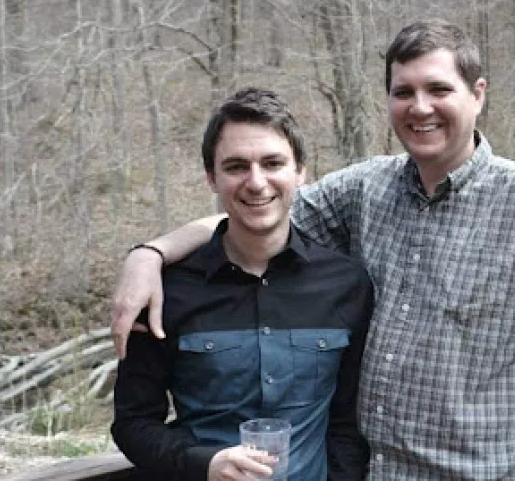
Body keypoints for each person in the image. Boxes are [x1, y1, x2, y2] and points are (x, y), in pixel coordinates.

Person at [112, 21, 515, 481]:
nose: (420, 107)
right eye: (403, 92)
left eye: (438, 89)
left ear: (478, 94)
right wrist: (150, 253)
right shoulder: (367, 189)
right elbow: (257, 212)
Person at [111, 88, 373, 481]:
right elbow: (132, 424)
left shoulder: (345, 284)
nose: (256, 182)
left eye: (272, 163)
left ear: (300, 171)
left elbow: (346, 422)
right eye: (236, 166)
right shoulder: (168, 292)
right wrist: (204, 464)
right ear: (211, 178)